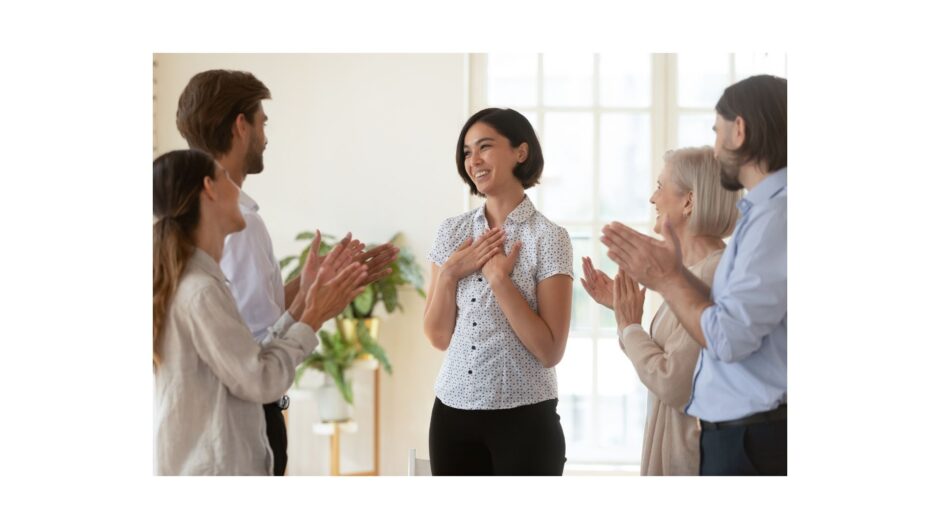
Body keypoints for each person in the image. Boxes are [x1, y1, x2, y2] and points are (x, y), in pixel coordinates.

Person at [175, 70, 397, 475]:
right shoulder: (237, 223)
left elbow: (247, 316)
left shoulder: (198, 222)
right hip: (243, 420)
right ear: (240, 126)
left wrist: (317, 285)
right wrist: (317, 307)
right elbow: (259, 352)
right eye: (262, 123)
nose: (265, 136)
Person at [600, 75, 787, 475]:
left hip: (748, 441)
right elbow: (722, 311)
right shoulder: (762, 214)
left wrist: (658, 290)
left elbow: (724, 338)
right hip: (738, 437)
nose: (716, 148)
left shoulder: (776, 216)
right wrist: (658, 282)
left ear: (740, 130)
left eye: (717, 131)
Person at [152, 149, 368, 475]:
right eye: (225, 178)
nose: (238, 190)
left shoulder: (198, 282)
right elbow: (261, 379)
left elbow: (246, 364)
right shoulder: (200, 291)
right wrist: (313, 315)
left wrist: (302, 304)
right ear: (209, 189)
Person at [423, 108, 573, 475]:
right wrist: (449, 276)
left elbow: (550, 350)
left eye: (485, 147)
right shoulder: (451, 233)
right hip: (452, 415)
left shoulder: (549, 238)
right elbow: (438, 336)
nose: (474, 160)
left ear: (520, 152)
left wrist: (500, 282)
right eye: (467, 152)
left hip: (525, 419)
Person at [581, 146, 740, 475]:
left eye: (660, 186)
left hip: (693, 459)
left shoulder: (715, 274)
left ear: (688, 202)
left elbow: (673, 382)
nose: (653, 198)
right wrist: (623, 312)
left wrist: (629, 326)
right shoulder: (691, 273)